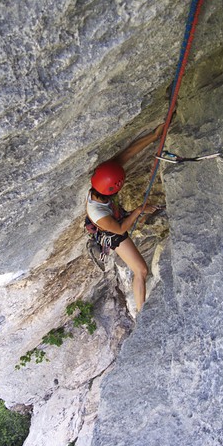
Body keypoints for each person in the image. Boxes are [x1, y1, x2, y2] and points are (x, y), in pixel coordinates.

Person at [86, 124, 164, 312]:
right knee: (141, 270)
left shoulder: (103, 178)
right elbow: (120, 229)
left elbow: (127, 153)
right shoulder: (99, 213)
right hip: (111, 231)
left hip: (114, 216)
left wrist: (154, 135)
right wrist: (138, 210)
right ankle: (141, 312)